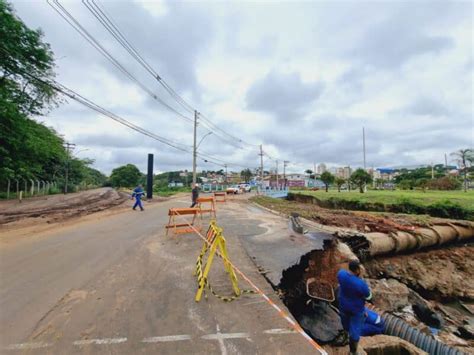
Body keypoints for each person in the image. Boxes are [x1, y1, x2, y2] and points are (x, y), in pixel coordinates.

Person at [337, 260, 372, 355]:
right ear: (357, 270)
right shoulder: (360, 284)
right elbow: (369, 296)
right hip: (356, 310)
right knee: (355, 330)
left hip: (343, 305)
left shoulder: (341, 274)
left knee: (345, 323)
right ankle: (352, 351)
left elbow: (340, 282)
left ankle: (344, 336)